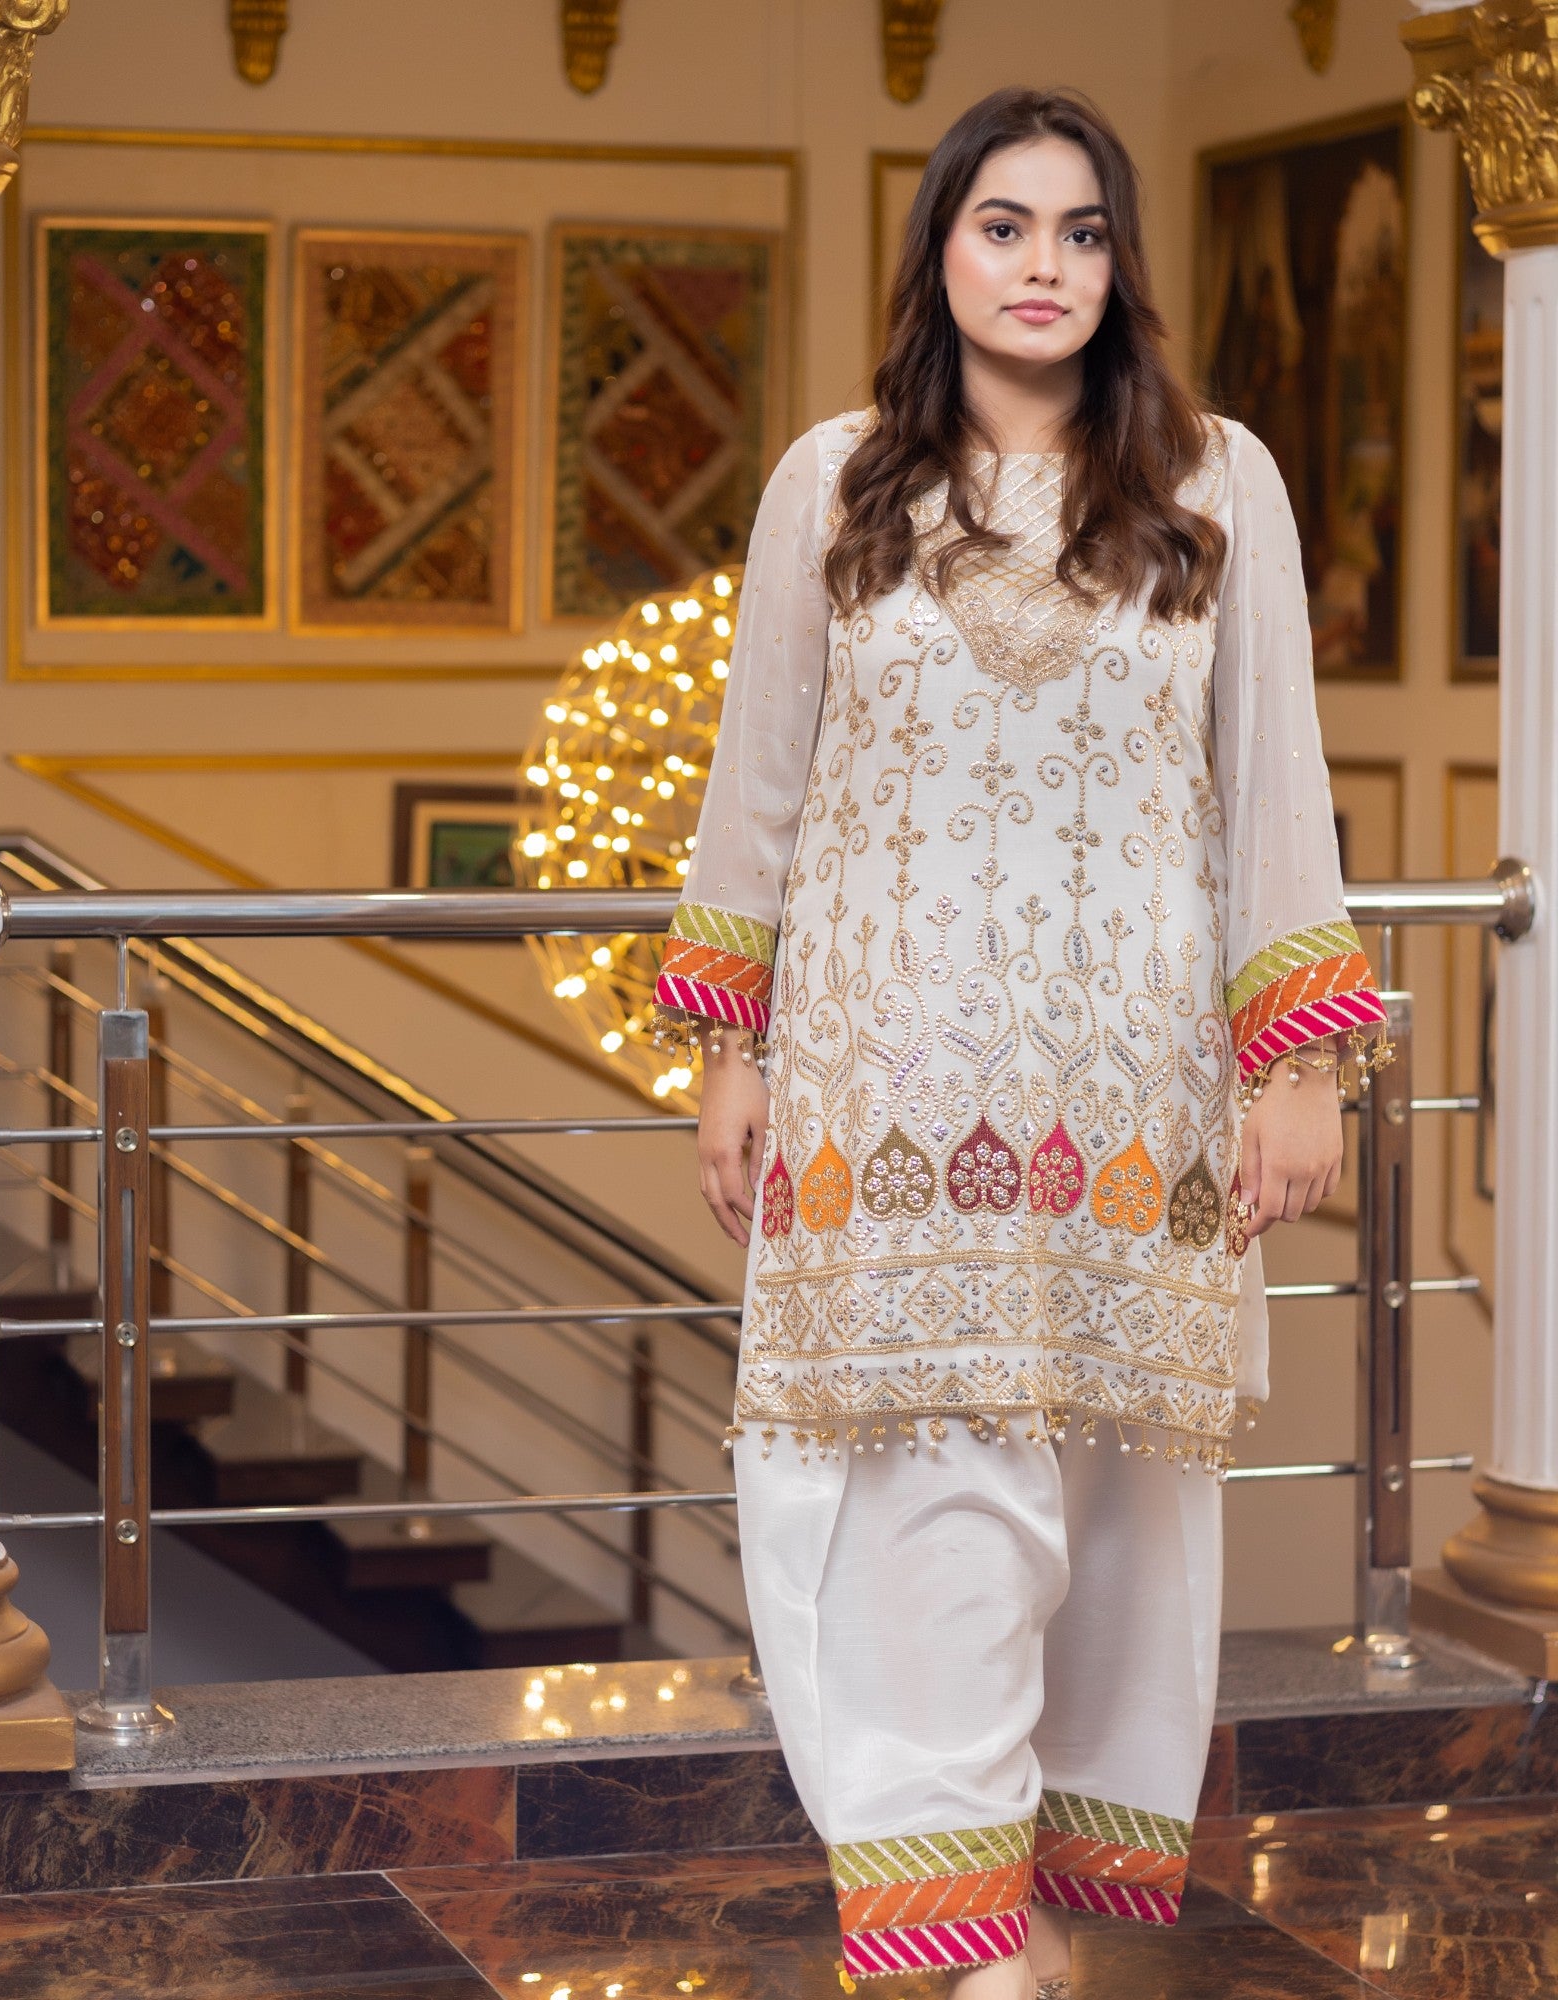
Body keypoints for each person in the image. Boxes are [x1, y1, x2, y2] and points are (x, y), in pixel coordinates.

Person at [652, 86, 1387, 1999]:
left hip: (1133, 1087)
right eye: (1004, 225)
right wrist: (730, 1041)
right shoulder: (836, 480)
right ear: (941, 255)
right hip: (880, 1082)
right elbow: (767, 784)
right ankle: (950, 1917)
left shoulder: (1217, 483)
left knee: (1113, 1499)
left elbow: (1272, 788)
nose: (1043, 264)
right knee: (912, 1482)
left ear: (1120, 264)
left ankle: (1036, 1890)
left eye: (1079, 230)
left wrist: (1295, 1060)